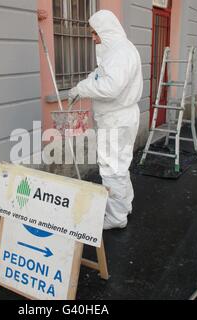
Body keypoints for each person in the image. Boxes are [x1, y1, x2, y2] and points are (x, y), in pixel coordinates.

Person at [68, 10, 143, 230]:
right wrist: (82, 86)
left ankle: (116, 217)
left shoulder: (120, 52)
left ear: (105, 31)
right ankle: (124, 205)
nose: (93, 38)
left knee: (111, 168)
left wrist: (81, 88)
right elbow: (100, 76)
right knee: (120, 165)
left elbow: (111, 87)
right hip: (120, 117)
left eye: (95, 33)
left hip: (116, 119)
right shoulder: (117, 51)